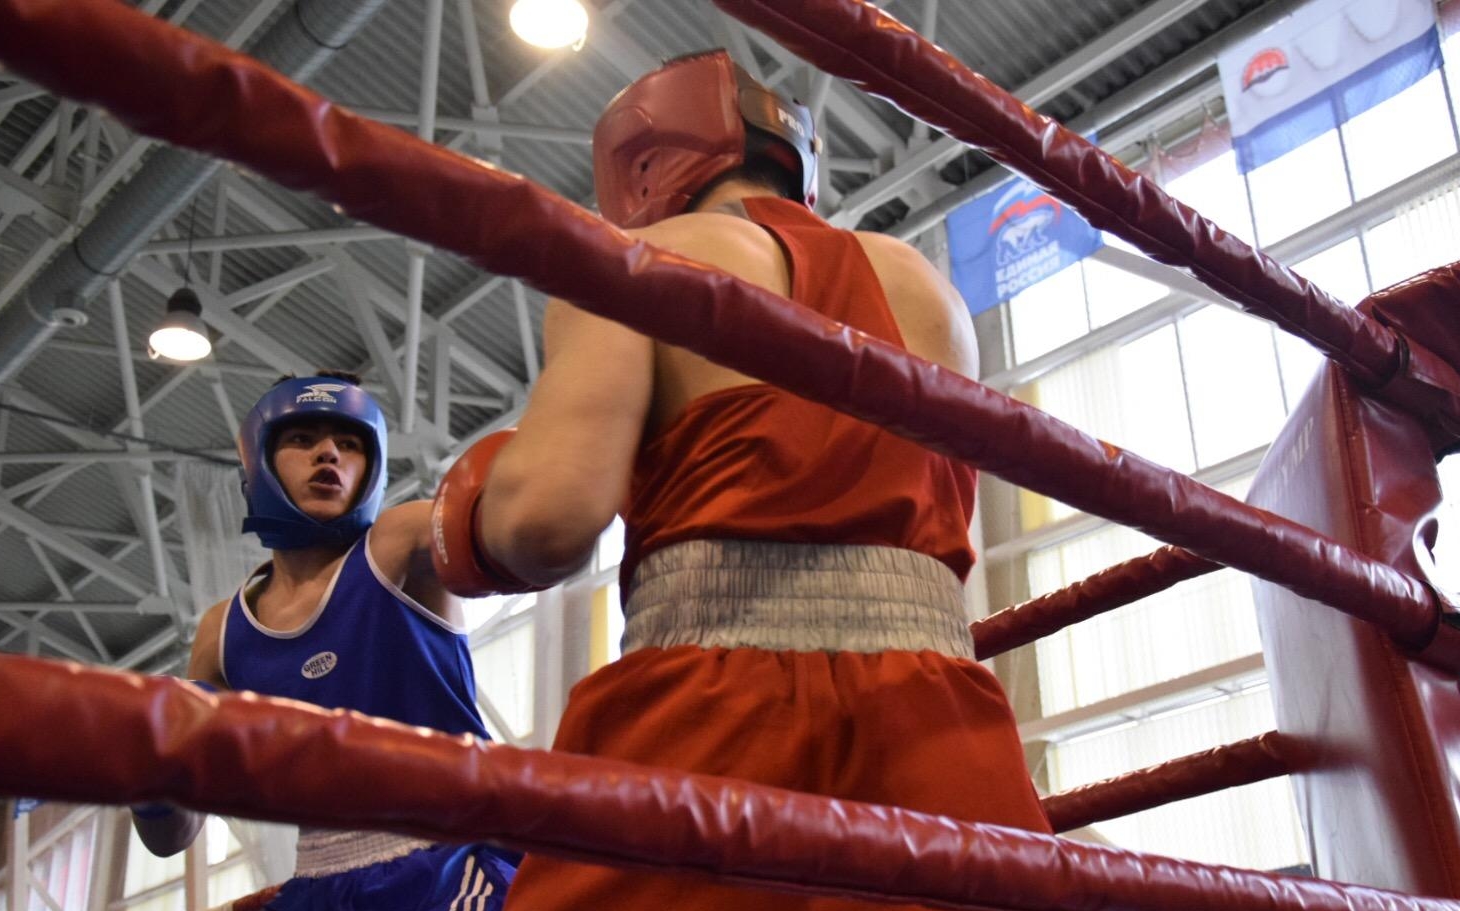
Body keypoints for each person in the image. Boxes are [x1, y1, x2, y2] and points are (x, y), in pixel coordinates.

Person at [430, 50, 1051, 910]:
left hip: (718, 710)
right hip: (941, 719)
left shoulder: (634, 261)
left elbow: (548, 521)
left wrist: (469, 523)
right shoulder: (927, 287)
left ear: (638, 168)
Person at [134, 370, 519, 911]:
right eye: (301, 439)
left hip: (450, 855)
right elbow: (169, 839)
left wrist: (527, 494)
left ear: (372, 465)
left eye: (349, 443)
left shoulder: (399, 544)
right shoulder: (223, 632)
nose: (328, 455)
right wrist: (152, 768)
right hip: (320, 880)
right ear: (258, 462)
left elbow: (520, 540)